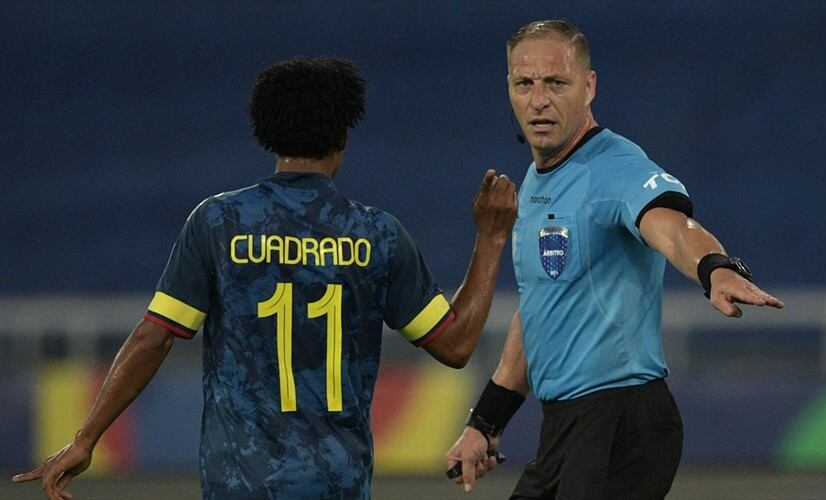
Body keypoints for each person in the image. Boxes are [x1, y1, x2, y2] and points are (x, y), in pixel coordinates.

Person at [13, 57, 517, 500]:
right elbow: (455, 345)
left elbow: (154, 337)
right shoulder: (375, 236)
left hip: (240, 480)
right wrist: (492, 239)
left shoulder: (219, 223)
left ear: (264, 132)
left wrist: (86, 439)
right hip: (337, 482)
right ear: (344, 135)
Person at [446, 20, 784, 499]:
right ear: (509, 88)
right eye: (525, 83)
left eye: (556, 83)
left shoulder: (616, 167)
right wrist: (485, 422)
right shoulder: (539, 181)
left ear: (589, 87)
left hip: (623, 421)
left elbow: (671, 226)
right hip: (569, 425)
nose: (538, 99)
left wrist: (714, 267)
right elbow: (544, 308)